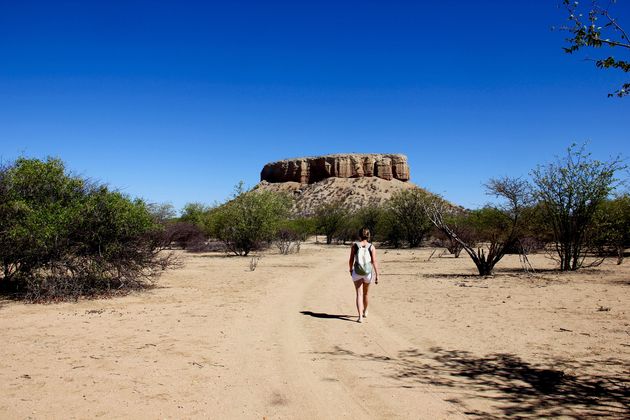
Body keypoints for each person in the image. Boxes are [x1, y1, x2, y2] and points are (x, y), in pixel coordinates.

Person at [348, 228, 379, 323]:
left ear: (359, 236)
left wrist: (350, 269)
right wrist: (377, 275)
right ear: (368, 235)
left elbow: (351, 260)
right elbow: (374, 261)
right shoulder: (371, 247)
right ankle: (365, 311)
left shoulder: (354, 246)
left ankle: (360, 317)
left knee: (359, 294)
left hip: (357, 272)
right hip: (368, 273)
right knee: (366, 294)